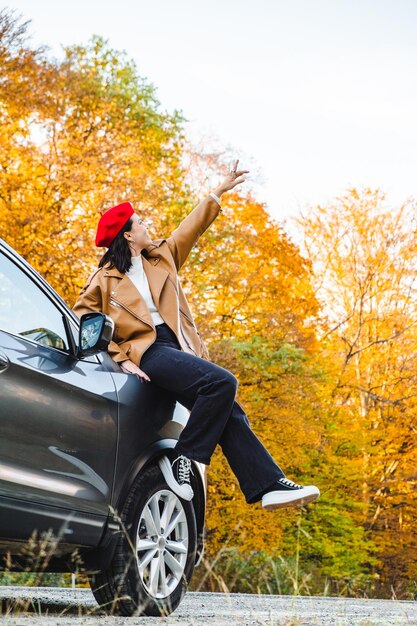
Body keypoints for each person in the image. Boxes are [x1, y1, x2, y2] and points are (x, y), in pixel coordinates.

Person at [73, 160, 320, 510]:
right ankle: (184, 457)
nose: (147, 225)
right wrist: (121, 358)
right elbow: (82, 319)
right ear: (127, 235)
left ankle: (267, 485)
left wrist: (218, 190)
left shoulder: (162, 257)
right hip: (150, 352)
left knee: (229, 413)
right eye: (140, 222)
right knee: (222, 384)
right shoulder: (103, 280)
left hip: (180, 350)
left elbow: (193, 227)